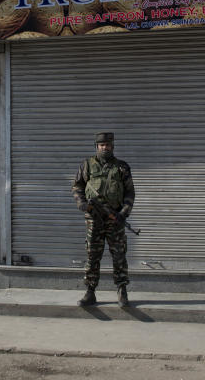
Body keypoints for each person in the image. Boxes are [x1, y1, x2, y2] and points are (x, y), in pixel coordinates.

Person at [71, 132, 135, 308]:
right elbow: (77, 187)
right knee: (92, 254)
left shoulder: (122, 167)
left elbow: (130, 192)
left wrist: (124, 213)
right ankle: (90, 292)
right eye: (101, 145)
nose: (104, 147)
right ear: (96, 146)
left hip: (115, 218)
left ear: (112, 146)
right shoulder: (87, 165)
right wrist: (83, 204)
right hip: (94, 219)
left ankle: (122, 291)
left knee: (119, 255)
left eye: (107, 144)